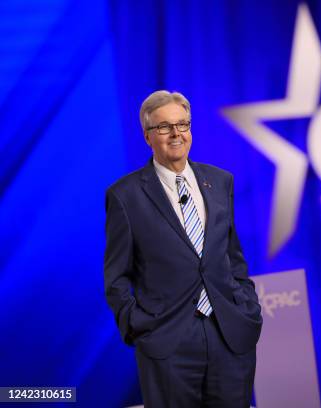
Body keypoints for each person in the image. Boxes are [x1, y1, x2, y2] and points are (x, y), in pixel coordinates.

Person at [104, 90, 262, 407]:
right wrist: (139, 326)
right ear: (148, 136)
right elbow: (116, 277)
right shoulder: (125, 196)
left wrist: (247, 306)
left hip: (229, 335)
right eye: (165, 127)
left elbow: (233, 257)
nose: (177, 134)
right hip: (168, 343)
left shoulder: (220, 182)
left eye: (183, 124)